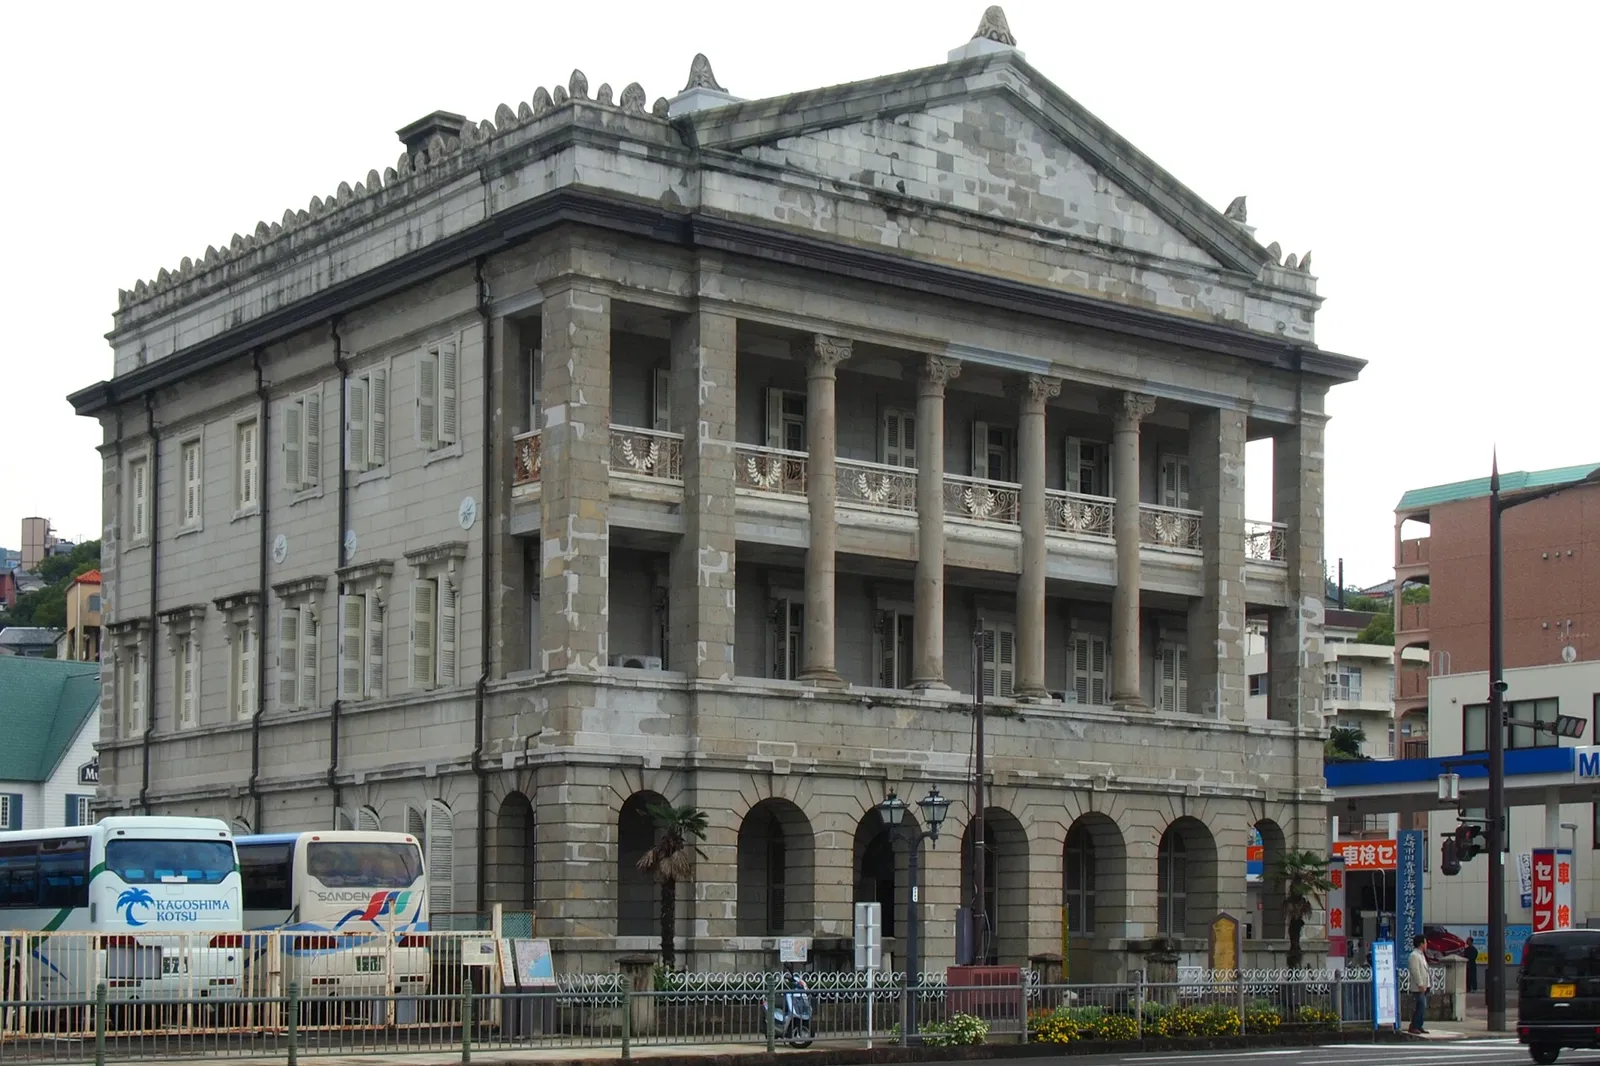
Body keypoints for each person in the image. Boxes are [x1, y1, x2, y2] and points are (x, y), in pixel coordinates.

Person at [1407, 934, 1431, 1034]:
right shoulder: (1414, 955)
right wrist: (1420, 984)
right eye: (1425, 943)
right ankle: (1414, 1026)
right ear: (1421, 944)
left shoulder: (1421, 955)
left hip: (1425, 986)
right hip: (1418, 987)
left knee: (1421, 1006)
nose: (1426, 945)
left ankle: (1419, 1025)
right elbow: (1415, 971)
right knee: (1421, 1005)